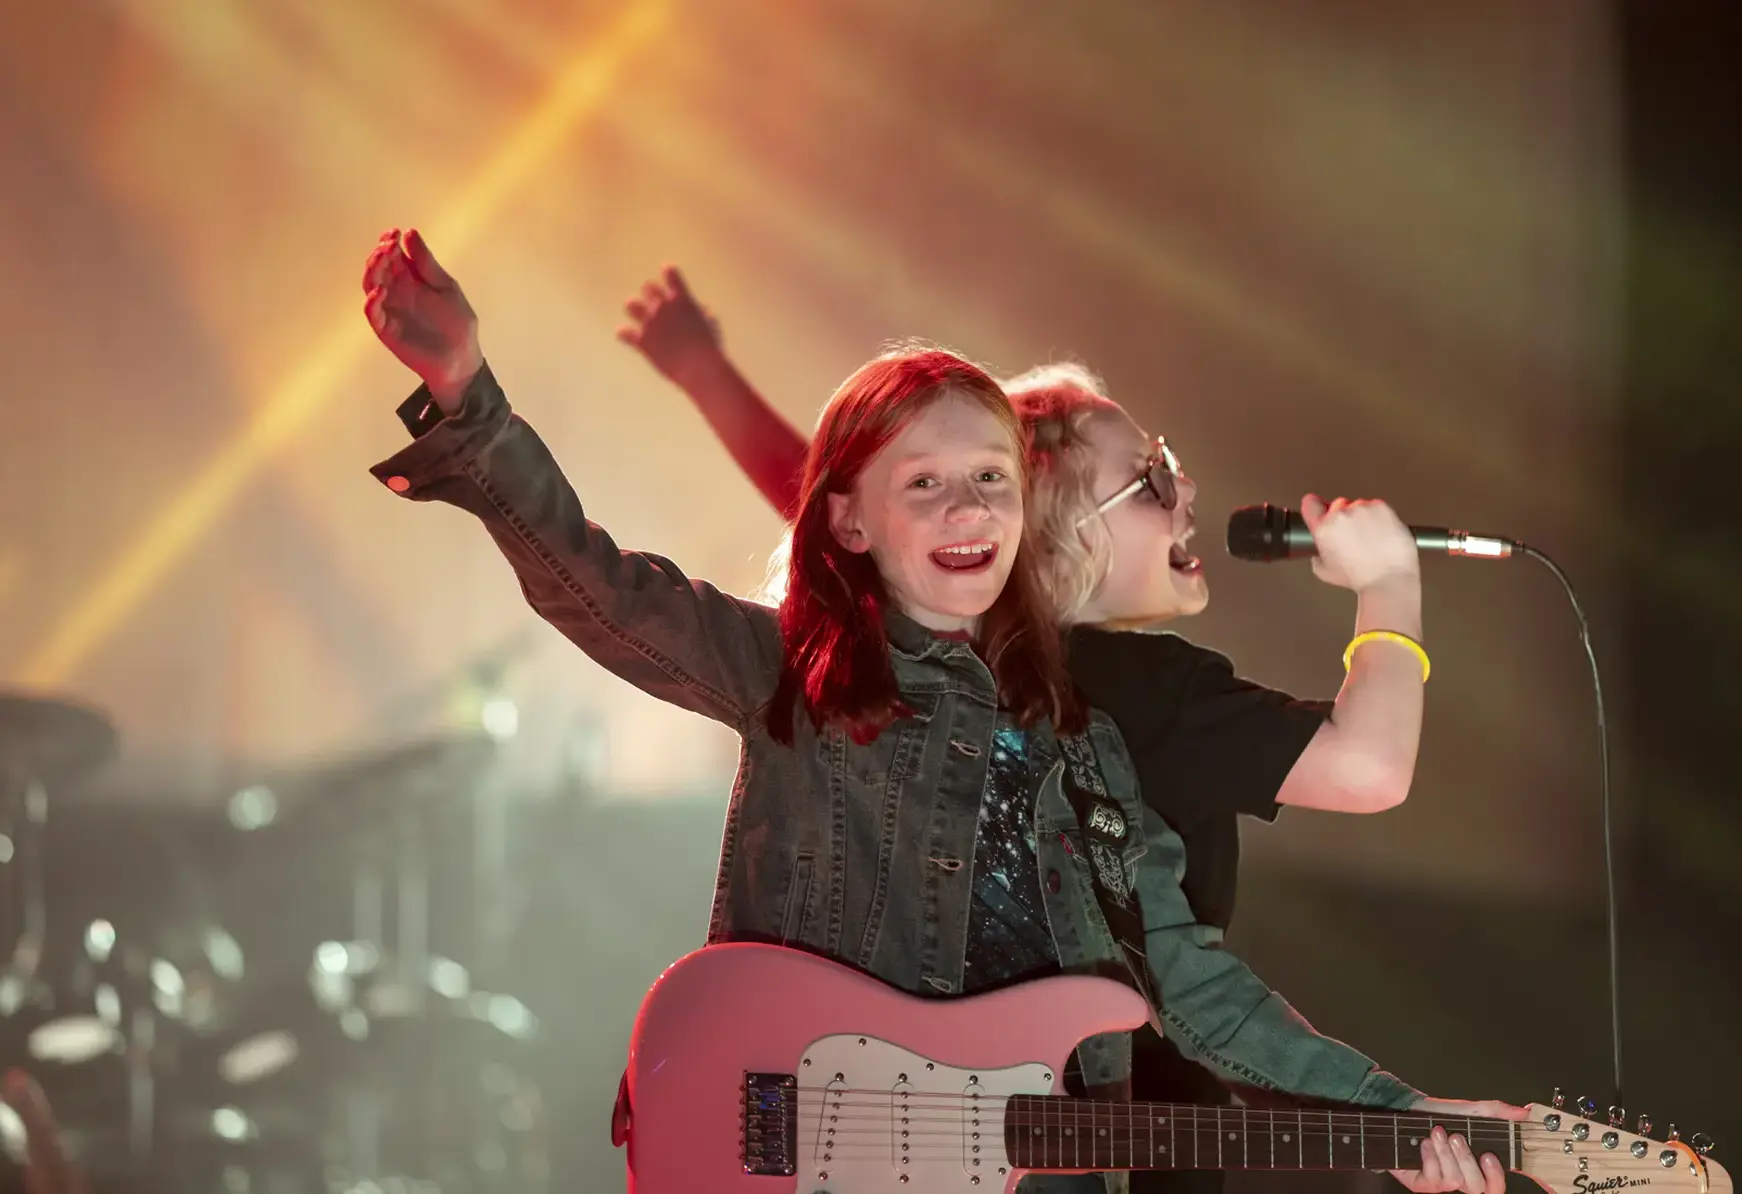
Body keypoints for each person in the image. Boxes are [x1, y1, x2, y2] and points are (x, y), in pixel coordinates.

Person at [362, 229, 1515, 1194]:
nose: (968, 507)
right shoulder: (794, 675)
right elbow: (599, 586)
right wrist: (468, 392)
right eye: (927, 482)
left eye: (992, 480)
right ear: (851, 523)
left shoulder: (1090, 743)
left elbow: (1199, 987)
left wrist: (1399, 1113)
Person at [618, 266, 1446, 1192]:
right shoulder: (1137, 688)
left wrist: (704, 373)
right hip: (1108, 1134)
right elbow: (1369, 767)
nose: (1186, 489)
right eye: (1151, 477)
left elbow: (820, 486)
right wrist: (1390, 586)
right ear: (1059, 529)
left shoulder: (936, 655)